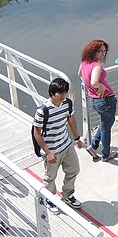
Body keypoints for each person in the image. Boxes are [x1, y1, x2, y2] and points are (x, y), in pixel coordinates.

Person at [32, 77, 83, 215]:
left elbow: (71, 119)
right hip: (52, 150)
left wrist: (77, 138)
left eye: (65, 93)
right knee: (50, 178)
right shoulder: (43, 110)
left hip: (66, 144)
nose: (63, 96)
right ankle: (49, 199)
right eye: (59, 93)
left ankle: (67, 195)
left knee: (74, 170)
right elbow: (37, 133)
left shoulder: (67, 103)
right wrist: (48, 152)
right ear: (52, 93)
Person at [79, 39, 118, 162]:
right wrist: (101, 86)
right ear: (92, 51)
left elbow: (80, 74)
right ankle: (106, 154)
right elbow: (94, 82)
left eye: (104, 51)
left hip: (94, 100)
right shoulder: (97, 66)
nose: (103, 54)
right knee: (107, 127)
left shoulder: (84, 62)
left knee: (105, 123)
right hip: (105, 100)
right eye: (100, 51)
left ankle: (94, 146)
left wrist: (93, 87)